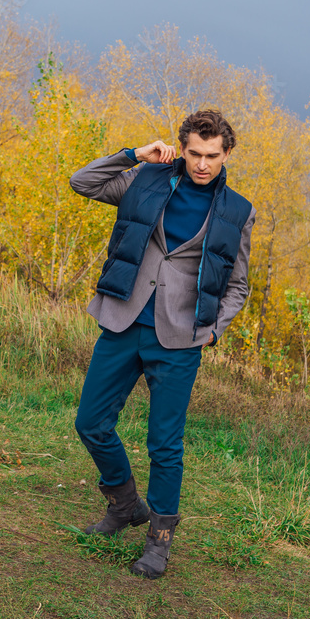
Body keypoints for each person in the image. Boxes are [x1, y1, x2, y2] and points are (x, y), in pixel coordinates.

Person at [69, 109, 256, 579]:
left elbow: (239, 285)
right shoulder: (145, 180)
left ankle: (159, 542)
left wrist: (213, 330)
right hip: (123, 317)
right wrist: (134, 154)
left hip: (179, 338)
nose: (202, 164)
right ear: (182, 148)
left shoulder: (239, 210)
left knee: (165, 445)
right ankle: (125, 503)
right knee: (91, 422)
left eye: (212, 156)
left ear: (226, 154)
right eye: (194, 152)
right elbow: (82, 182)